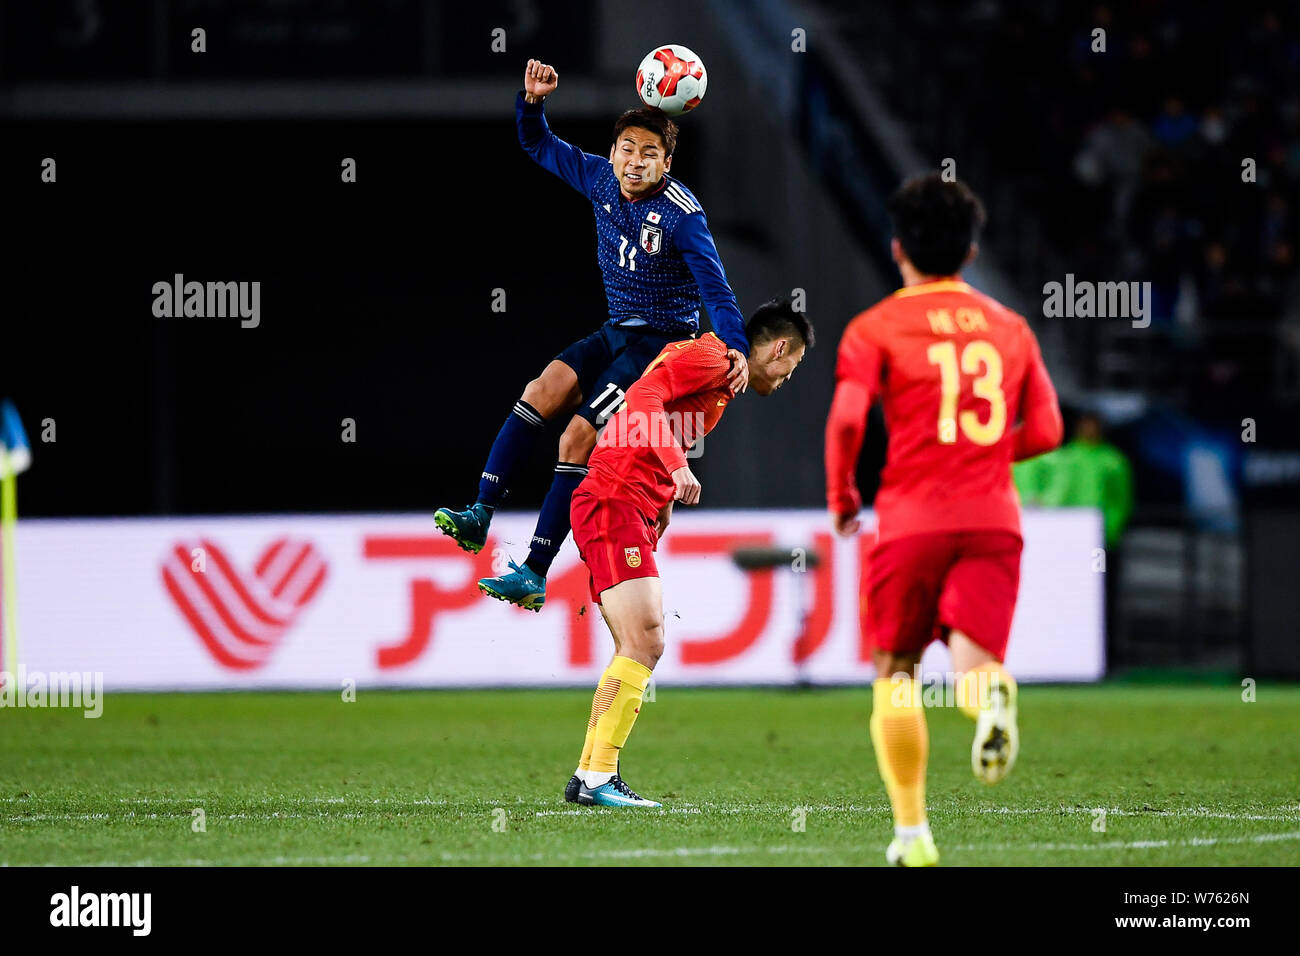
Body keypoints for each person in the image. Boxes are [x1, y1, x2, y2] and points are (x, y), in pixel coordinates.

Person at [434, 59, 750, 611]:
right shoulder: (600, 178)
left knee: (574, 439)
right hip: (614, 331)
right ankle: (479, 514)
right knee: (540, 391)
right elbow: (539, 146)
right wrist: (532, 103)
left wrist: (737, 348)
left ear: (666, 165)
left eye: (648, 154)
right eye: (626, 148)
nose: (634, 161)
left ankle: (533, 570)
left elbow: (716, 292)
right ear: (612, 153)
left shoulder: (682, 216)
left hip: (658, 348)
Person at [824, 173, 1063, 866]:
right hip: (993, 519)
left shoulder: (875, 327)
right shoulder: (1011, 326)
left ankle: (912, 836)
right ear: (971, 250)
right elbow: (1046, 430)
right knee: (975, 663)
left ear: (898, 249)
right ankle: (992, 702)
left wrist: (843, 496)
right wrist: (983, 455)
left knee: (896, 669)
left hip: (912, 517)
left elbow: (845, 420)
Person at [565, 298, 812, 808]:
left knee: (634, 644)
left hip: (626, 499)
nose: (789, 377)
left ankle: (590, 772)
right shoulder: (716, 357)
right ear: (781, 347)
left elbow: (650, 416)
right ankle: (596, 779)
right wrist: (677, 467)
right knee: (647, 639)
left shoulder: (723, 378)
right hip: (615, 497)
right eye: (794, 365)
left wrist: (662, 498)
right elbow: (641, 397)